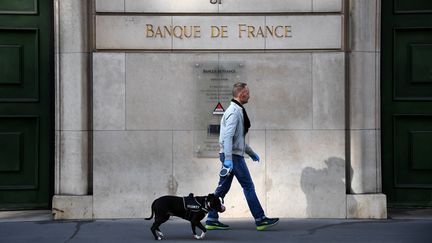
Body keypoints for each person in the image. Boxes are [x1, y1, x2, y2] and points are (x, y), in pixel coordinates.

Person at [205, 82, 279, 231]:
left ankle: (212, 218)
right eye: (247, 92)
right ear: (241, 94)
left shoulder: (238, 110)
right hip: (233, 156)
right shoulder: (234, 112)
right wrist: (228, 159)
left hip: (233, 154)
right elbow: (227, 138)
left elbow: (237, 139)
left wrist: (250, 153)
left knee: (222, 189)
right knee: (248, 186)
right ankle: (260, 219)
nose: (249, 95)